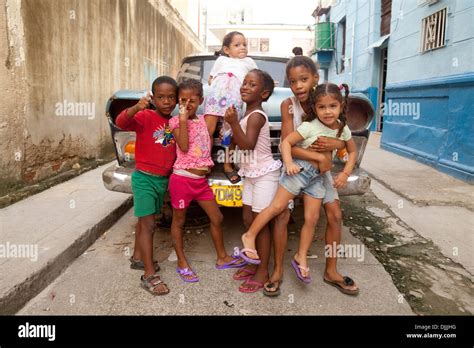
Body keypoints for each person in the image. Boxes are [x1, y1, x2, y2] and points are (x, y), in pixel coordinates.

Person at [240, 78, 360, 295]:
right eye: (322, 107)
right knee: (277, 208)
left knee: (312, 219)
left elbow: (351, 151)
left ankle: (301, 256)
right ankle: (250, 236)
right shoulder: (309, 125)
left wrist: (345, 173)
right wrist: (288, 163)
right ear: (315, 108)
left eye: (333, 106)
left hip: (318, 177)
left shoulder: (343, 129)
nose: (327, 112)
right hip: (300, 170)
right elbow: (286, 142)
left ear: (341, 106)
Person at [169, 79, 246, 283]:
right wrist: (184, 119)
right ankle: (181, 262)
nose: (186, 105)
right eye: (182, 100)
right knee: (179, 220)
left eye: (192, 101)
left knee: (217, 218)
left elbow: (220, 102)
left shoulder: (204, 120)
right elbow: (184, 146)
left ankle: (222, 258)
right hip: (182, 180)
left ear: (201, 101)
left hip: (201, 182)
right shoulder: (175, 122)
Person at [115, 76, 178, 295]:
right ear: (153, 98)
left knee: (145, 222)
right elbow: (121, 122)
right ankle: (148, 275)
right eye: (161, 97)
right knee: (149, 225)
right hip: (144, 178)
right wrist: (135, 107)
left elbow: (170, 147)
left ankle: (137, 257)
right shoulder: (145, 116)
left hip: (162, 180)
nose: (166, 101)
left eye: (171, 97)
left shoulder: (174, 123)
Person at [224, 69, 281, 293]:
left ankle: (263, 271)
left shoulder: (257, 115)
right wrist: (230, 128)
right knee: (248, 218)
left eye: (252, 85)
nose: (245, 87)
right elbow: (238, 143)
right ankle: (252, 261)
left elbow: (247, 144)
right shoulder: (247, 114)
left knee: (261, 224)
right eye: (244, 83)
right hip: (251, 174)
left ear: (264, 93)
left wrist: (233, 123)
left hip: (265, 174)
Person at [204, 31, 258, 183]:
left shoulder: (249, 62)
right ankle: (205, 162)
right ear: (227, 50)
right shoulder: (221, 60)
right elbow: (210, 78)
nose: (242, 48)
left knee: (230, 132)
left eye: (244, 45)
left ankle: (227, 165)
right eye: (237, 45)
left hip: (235, 99)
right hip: (215, 96)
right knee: (208, 129)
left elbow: (258, 77)